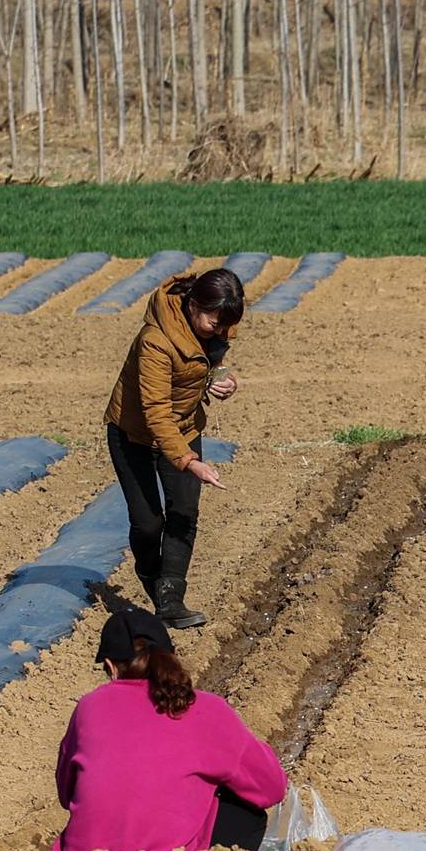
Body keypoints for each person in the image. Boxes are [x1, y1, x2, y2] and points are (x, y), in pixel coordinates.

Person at [53, 608, 286, 851]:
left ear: (111, 667)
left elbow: (67, 794)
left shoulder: (89, 706)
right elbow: (271, 788)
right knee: (247, 813)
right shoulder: (206, 707)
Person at [103, 267, 245, 628]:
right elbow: (155, 412)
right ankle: (152, 579)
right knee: (149, 523)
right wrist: (188, 461)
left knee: (184, 511)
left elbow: (213, 358)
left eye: (225, 324)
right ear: (194, 305)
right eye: (214, 322)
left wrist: (222, 379)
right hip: (134, 434)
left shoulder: (215, 321)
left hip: (184, 425)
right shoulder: (155, 340)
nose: (221, 330)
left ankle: (170, 602)